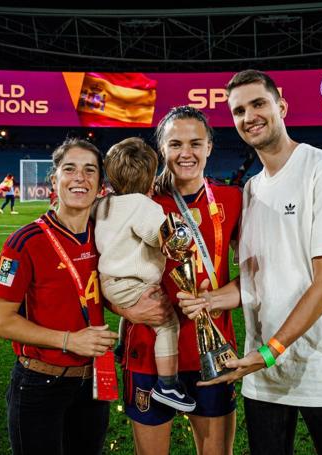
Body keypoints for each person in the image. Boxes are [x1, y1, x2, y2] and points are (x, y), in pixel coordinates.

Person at [180, 70, 322, 454]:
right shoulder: (251, 189)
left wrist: (271, 351)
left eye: (258, 103)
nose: (249, 116)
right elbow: (254, 279)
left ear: (281, 106)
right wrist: (210, 300)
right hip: (262, 374)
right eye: (239, 111)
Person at [115, 106, 242, 455]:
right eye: (175, 144)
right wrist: (128, 310)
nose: (186, 153)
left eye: (195, 143)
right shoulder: (137, 203)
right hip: (147, 350)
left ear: (210, 147)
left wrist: (216, 299)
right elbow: (104, 273)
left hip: (213, 352)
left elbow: (258, 277)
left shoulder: (233, 200)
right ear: (161, 150)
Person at [0, 138, 120, 455]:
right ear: (54, 179)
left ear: (101, 184)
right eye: (69, 168)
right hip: (40, 384)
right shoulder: (24, 242)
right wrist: (68, 340)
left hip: (92, 382)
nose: (80, 177)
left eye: (90, 170)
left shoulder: (106, 236)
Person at [94, 137, 195, 412]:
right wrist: (180, 232)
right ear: (150, 175)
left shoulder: (103, 203)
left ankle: (120, 349)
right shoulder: (143, 206)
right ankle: (168, 384)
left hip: (109, 282)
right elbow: (161, 238)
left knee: (132, 309)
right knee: (167, 324)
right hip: (133, 283)